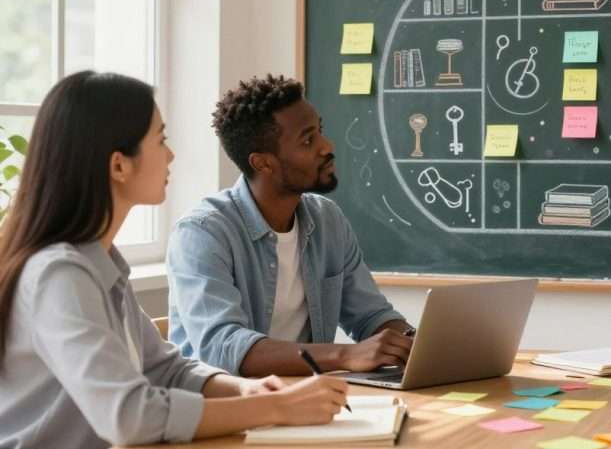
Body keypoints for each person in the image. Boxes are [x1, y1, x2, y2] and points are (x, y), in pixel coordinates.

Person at [0, 72, 349, 449]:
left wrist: (247, 390)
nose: (171, 154)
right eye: (161, 139)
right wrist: (277, 408)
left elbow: (165, 367)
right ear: (119, 166)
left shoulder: (101, 264)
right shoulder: (60, 275)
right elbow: (129, 417)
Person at [167, 74, 414, 377]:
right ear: (263, 163)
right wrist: (345, 355)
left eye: (319, 132)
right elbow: (223, 346)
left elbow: (371, 316)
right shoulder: (202, 233)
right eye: (308, 140)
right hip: (228, 408)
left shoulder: (328, 221)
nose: (326, 146)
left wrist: (412, 344)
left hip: (308, 401)